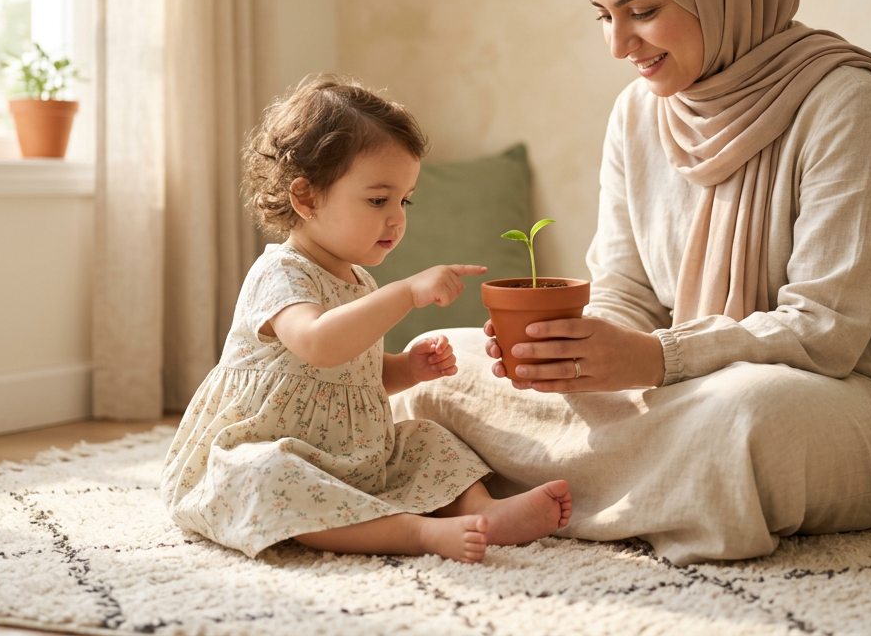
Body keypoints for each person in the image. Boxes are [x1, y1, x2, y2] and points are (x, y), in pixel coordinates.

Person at [393, 0, 871, 565]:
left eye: (642, 10)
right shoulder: (638, 113)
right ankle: (557, 500)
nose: (618, 44)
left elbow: (826, 333)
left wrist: (658, 358)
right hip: (678, 385)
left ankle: (495, 486)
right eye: (604, 16)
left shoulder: (846, 103)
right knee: (439, 373)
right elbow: (627, 289)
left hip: (848, 402)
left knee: (743, 418)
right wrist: (575, 355)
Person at [161, 76, 572, 564]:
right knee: (269, 475)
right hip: (268, 450)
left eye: (405, 200)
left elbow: (356, 376)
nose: (397, 218)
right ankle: (416, 534)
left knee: (426, 438)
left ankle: (483, 511)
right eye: (379, 200)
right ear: (306, 198)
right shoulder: (280, 274)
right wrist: (405, 293)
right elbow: (318, 345)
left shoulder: (358, 282)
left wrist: (407, 369)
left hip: (350, 455)